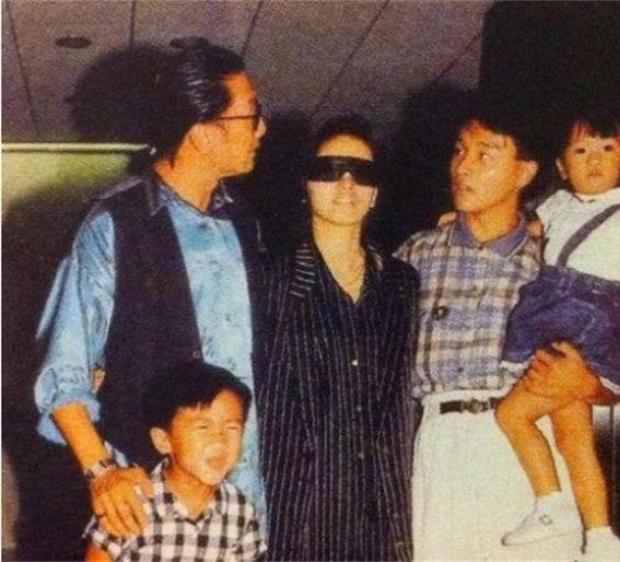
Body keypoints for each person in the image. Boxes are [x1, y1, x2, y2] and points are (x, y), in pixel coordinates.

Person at [34, 37, 268, 539]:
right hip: (151, 503)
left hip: (242, 504)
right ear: (203, 132)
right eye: (252, 114)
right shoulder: (114, 225)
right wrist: (101, 472)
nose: (262, 128)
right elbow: (64, 373)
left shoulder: (248, 224)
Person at [396, 97, 590, 560]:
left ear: (524, 172)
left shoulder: (553, 263)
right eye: (460, 151)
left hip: (529, 452)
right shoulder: (415, 256)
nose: (463, 166)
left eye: (485, 154)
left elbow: (609, 367)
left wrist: (590, 384)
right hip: (442, 447)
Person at [494, 107, 620, 561]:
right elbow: (517, 233)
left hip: (587, 325)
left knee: (512, 415)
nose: (594, 159)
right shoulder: (556, 206)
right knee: (573, 438)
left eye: (607, 148)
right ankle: (600, 538)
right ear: (561, 166)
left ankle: (550, 505)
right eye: (581, 150)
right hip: (553, 320)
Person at [257, 115, 418, 560]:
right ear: (305, 184)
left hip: (382, 521)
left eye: (361, 173)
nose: (346, 183)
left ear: (375, 191)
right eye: (330, 170)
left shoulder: (402, 285)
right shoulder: (269, 280)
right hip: (296, 520)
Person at [85, 361, 266, 561]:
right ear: (163, 440)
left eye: (232, 428)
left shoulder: (240, 510)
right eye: (203, 427)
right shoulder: (131, 502)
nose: (219, 440)